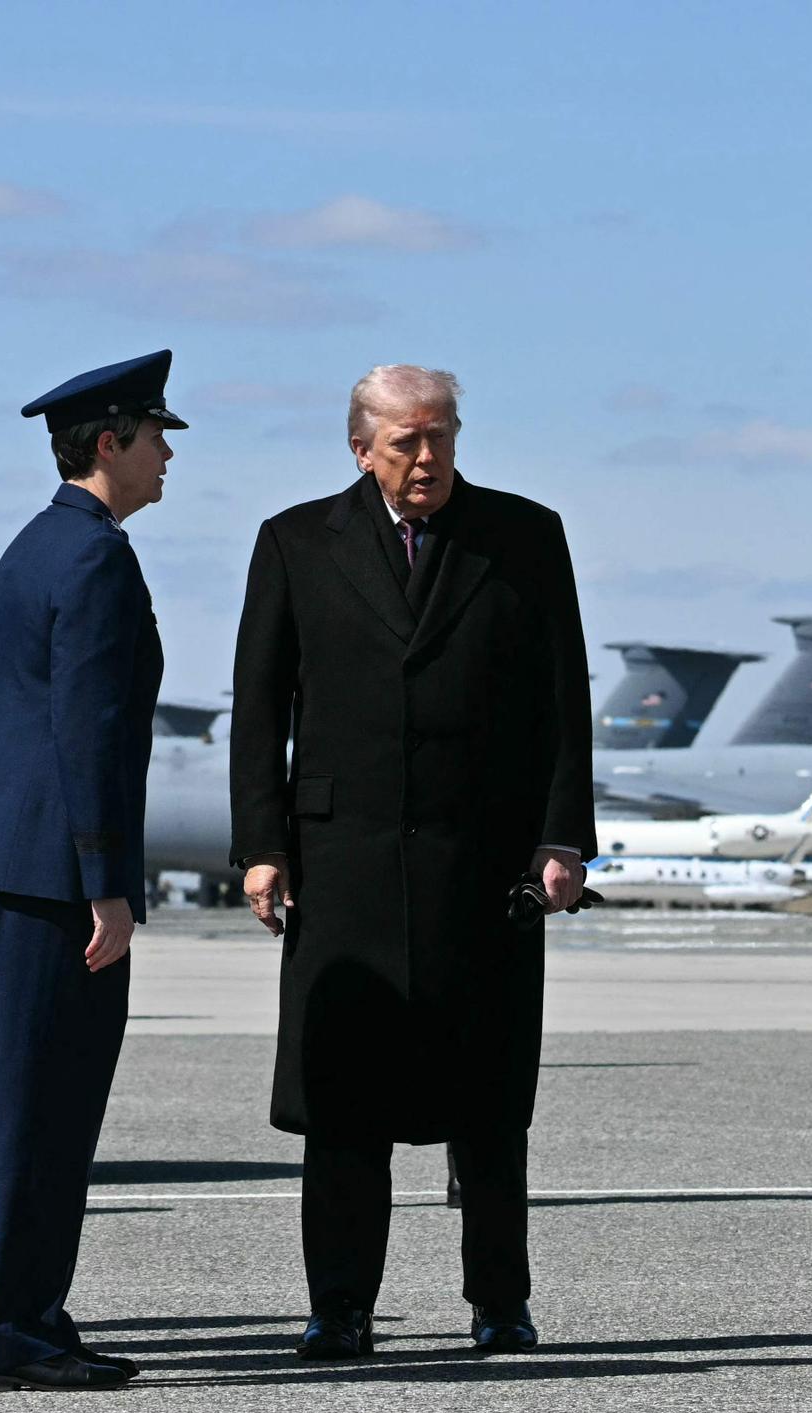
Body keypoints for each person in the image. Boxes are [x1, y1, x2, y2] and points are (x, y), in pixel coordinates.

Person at [229, 364, 595, 1359]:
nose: (427, 459)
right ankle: (340, 1306)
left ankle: (499, 1301)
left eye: (440, 437)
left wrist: (563, 838)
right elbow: (261, 709)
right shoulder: (297, 542)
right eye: (405, 443)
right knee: (343, 1102)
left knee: (489, 1102)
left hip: (484, 864)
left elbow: (565, 701)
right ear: (362, 447)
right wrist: (262, 847)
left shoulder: (523, 536)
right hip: (341, 863)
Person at [0, 352, 181, 1392]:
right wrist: (105, 881)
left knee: (23, 1107)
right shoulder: (92, 560)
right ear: (108, 443)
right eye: (156, 435)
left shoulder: (35, 545)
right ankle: (11, 1334)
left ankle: (30, 1310)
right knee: (50, 1107)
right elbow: (88, 730)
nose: (168, 453)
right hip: (51, 877)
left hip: (3, 862)